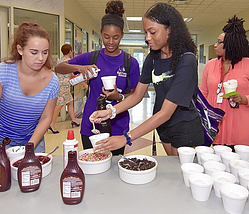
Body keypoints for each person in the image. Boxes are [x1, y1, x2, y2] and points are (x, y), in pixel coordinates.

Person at [89, 2, 204, 156]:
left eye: (152, 32)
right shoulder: (153, 57)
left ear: (169, 30)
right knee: (172, 168)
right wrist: (111, 111)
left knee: (181, 173)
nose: (147, 38)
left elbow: (166, 112)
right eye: (146, 32)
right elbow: (137, 95)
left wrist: (126, 138)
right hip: (163, 126)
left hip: (184, 127)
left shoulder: (186, 60)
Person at [55, 0, 140, 155]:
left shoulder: (130, 63)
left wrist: (118, 96)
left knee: (113, 170)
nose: (111, 42)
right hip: (91, 125)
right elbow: (59, 67)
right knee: (92, 165)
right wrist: (80, 68)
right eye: (106, 37)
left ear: (122, 35)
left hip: (117, 127)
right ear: (101, 33)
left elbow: (135, 95)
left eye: (115, 37)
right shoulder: (92, 57)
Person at [199, 15, 249, 149]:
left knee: (239, 166)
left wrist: (243, 99)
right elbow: (203, 94)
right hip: (215, 125)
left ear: (231, 43)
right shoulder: (210, 65)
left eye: (219, 42)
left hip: (240, 126)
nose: (215, 45)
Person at [0, 22, 60, 153]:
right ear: (20, 50)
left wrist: (30, 147)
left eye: (45, 52)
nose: (40, 58)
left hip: (33, 140)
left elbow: (46, 117)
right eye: (34, 52)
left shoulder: (52, 81)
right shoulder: (3, 72)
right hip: (0, 139)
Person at [49, 44, 82, 134]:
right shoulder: (69, 62)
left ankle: (74, 120)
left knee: (70, 102)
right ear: (70, 51)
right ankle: (51, 124)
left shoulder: (60, 61)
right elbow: (73, 74)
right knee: (59, 105)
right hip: (64, 87)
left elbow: (55, 72)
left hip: (60, 85)